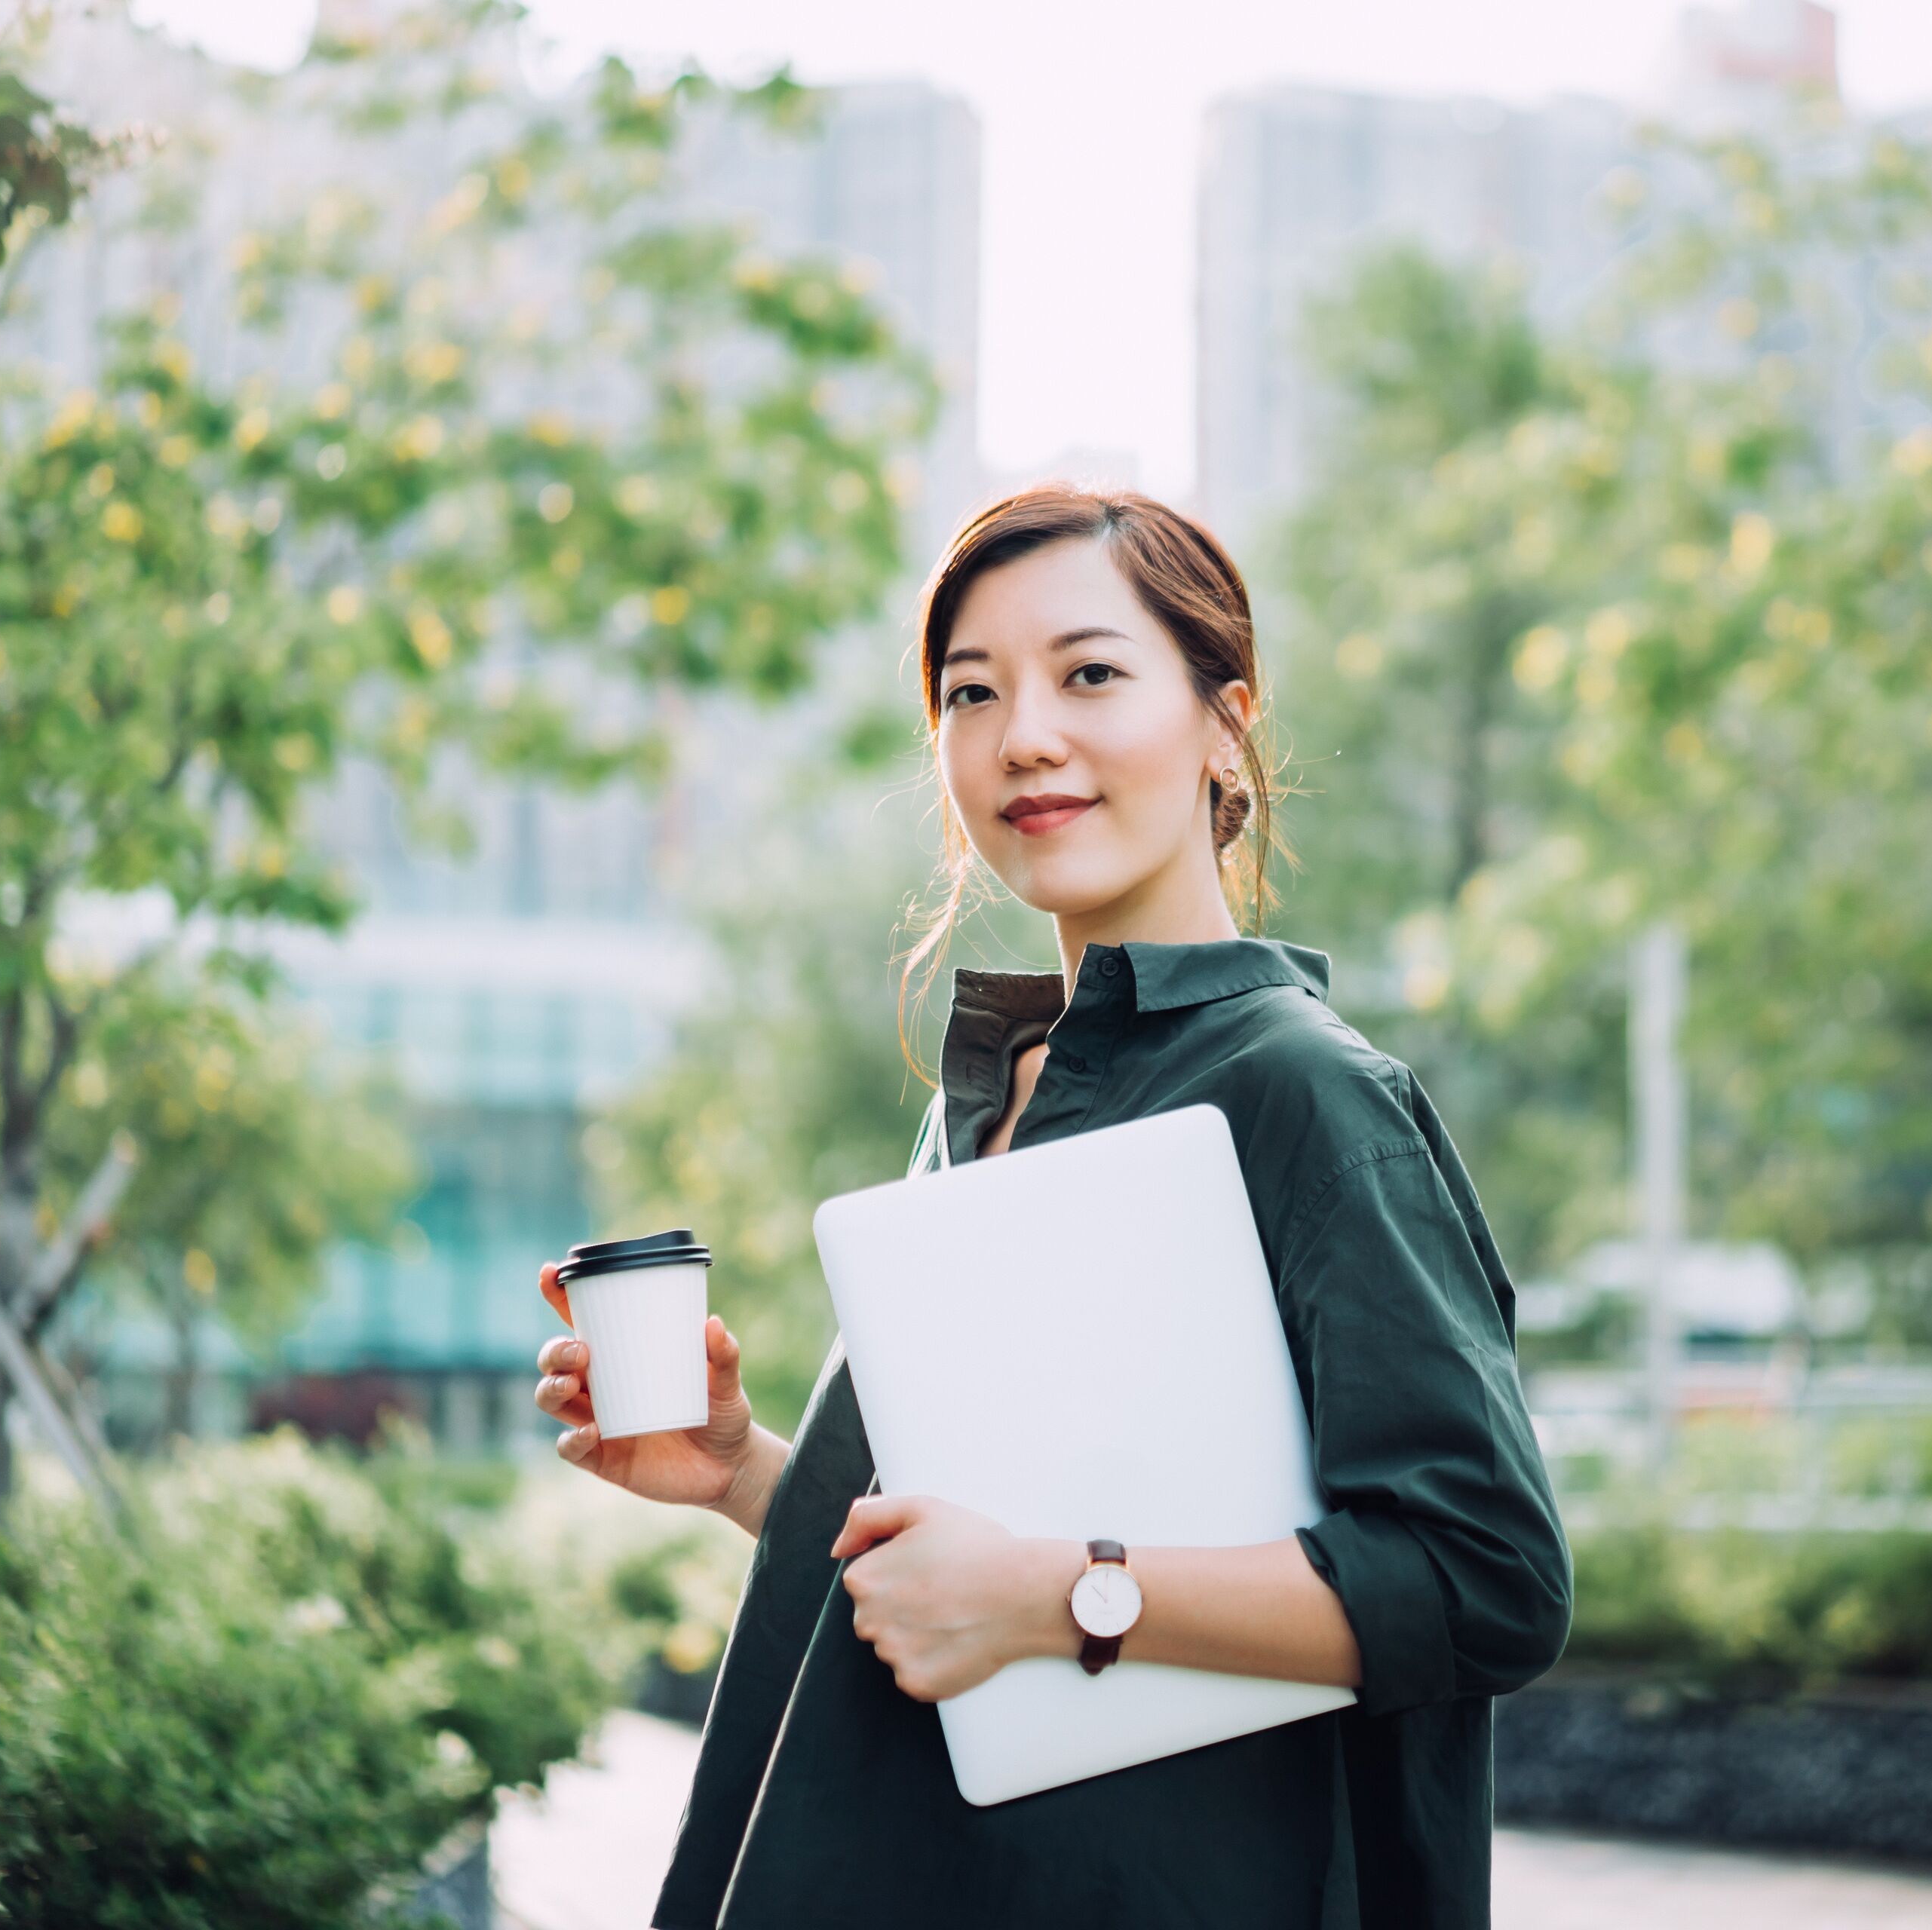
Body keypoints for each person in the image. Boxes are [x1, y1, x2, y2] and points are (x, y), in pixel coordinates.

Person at [531, 485, 1572, 1928]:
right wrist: (748, 1475)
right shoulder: (991, 1097)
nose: (1023, 734)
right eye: (973, 693)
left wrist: (1057, 1598)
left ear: (1223, 723)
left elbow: (1486, 1579)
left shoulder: (1306, 1095)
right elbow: (983, 1547)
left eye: (1089, 673)